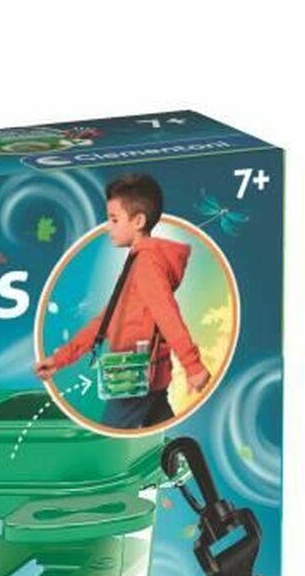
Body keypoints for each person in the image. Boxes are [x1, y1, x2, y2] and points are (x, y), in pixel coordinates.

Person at [35, 173, 211, 429]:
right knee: (162, 431)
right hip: (148, 372)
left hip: (135, 374)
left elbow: (167, 315)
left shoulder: (147, 263)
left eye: (114, 219)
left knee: (109, 437)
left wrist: (193, 366)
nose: (108, 226)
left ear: (138, 221)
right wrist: (60, 359)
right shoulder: (138, 260)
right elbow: (106, 321)